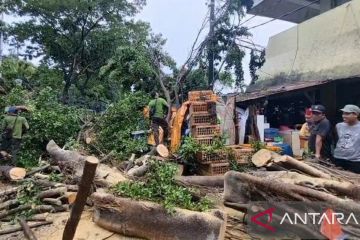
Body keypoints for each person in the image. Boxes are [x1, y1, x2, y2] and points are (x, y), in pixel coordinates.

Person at [333, 105, 360, 173]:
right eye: (343, 113)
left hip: (354, 161)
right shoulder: (339, 126)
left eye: (347, 113)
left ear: (356, 115)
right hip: (338, 158)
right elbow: (337, 139)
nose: (343, 116)